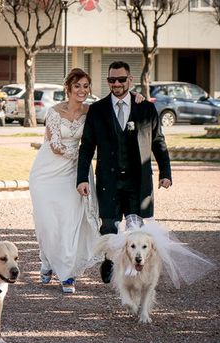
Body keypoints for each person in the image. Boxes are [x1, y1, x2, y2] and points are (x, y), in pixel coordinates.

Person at [76, 61, 172, 284]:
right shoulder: (97, 110)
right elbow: (87, 146)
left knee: (136, 228)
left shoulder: (146, 108)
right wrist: (82, 178)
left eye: (121, 79)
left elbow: (158, 141)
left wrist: (165, 172)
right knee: (108, 226)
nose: (116, 84)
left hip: (137, 181)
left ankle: (134, 268)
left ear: (130, 80)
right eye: (112, 80)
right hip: (108, 180)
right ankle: (109, 260)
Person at [29, 68, 100, 294]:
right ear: (68, 88)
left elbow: (112, 109)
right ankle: (47, 260)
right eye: (77, 85)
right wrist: (81, 153)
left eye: (86, 86)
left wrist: (137, 96)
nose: (82, 90)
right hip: (47, 173)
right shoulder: (53, 112)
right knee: (48, 222)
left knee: (69, 221)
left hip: (74, 174)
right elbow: (56, 145)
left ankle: (67, 273)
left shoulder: (92, 112)